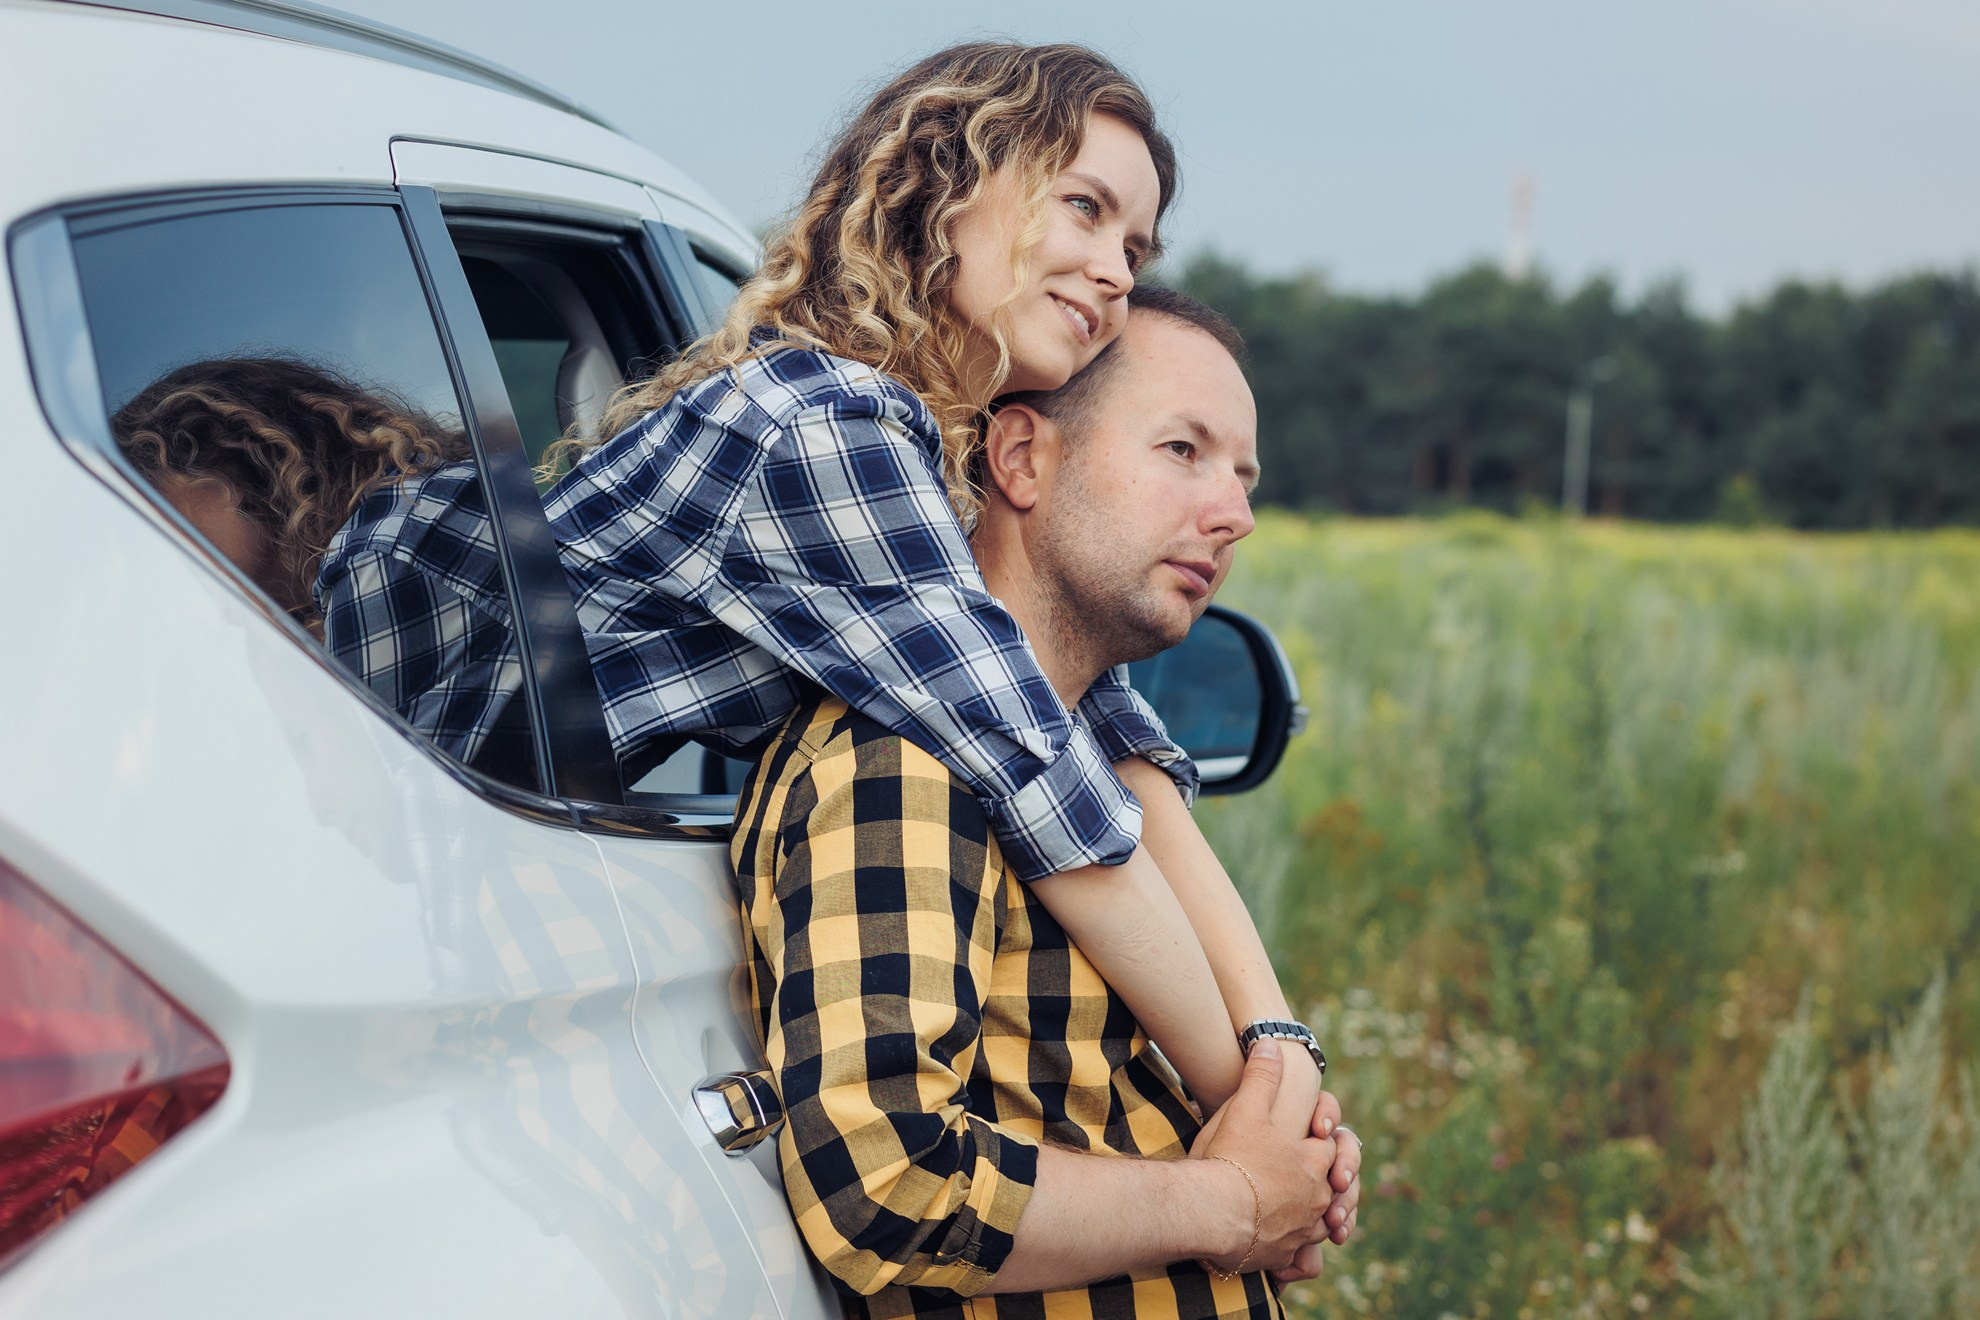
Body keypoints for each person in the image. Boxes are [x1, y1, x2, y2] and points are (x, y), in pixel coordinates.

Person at [323, 42, 1319, 1133]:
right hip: (384, 901)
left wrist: (1280, 1048)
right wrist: (1250, 1119)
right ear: (945, 182)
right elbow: (1043, 778)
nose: (1119, 274)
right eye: (1084, 208)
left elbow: (1105, 734)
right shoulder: (823, 427)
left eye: (1135, 247)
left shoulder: (924, 453)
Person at [732, 290, 1360, 1318]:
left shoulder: (1085, 754)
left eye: (1244, 480)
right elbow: (886, 1188)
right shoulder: (908, 765)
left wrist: (1282, 1139)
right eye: (1183, 450)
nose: (1235, 515)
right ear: (1021, 459)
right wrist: (1235, 1203)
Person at [111, 357, 469, 640]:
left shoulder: (382, 559)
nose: (151, 558)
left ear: (224, 465)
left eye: (148, 504)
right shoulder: (400, 510)